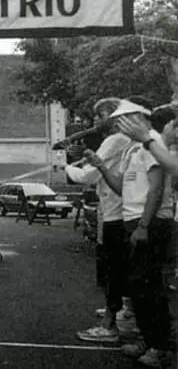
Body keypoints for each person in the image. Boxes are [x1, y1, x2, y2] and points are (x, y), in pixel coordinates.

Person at [86, 99, 175, 368]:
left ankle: (159, 346)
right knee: (138, 286)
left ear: (139, 118)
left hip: (150, 222)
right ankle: (148, 340)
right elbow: (121, 187)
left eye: (124, 119)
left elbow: (156, 189)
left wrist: (144, 226)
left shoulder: (152, 143)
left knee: (149, 286)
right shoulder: (132, 149)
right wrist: (101, 165)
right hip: (133, 219)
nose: (118, 125)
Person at [68, 98, 136, 343]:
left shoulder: (115, 140)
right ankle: (126, 312)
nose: (96, 120)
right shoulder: (127, 141)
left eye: (101, 115)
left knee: (113, 269)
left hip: (115, 213)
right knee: (123, 269)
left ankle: (110, 323)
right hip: (121, 211)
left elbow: (88, 176)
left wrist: (67, 167)